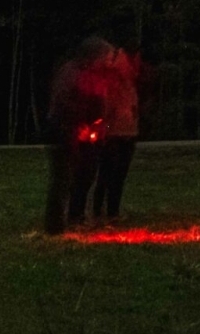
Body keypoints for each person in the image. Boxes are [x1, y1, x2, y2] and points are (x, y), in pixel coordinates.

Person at [44, 37, 113, 234]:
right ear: (95, 56)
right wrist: (79, 124)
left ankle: (77, 216)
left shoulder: (96, 75)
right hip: (64, 131)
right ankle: (55, 227)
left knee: (86, 175)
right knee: (63, 178)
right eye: (106, 57)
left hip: (87, 133)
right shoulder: (71, 73)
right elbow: (63, 103)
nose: (109, 61)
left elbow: (98, 104)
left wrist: (98, 124)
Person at [92, 46, 141, 223]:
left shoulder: (129, 83)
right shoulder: (114, 81)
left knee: (118, 175)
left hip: (126, 132)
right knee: (108, 174)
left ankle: (111, 210)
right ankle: (101, 211)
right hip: (114, 134)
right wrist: (106, 127)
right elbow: (108, 107)